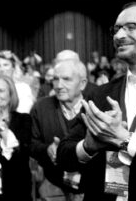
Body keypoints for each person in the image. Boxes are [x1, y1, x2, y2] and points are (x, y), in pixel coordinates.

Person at [58, 1, 136, 200]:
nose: (119, 36)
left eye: (132, 27)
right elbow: (64, 153)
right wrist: (88, 146)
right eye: (117, 29)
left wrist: (125, 140)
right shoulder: (101, 94)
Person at [31, 60, 89, 201]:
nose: (59, 85)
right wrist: (47, 150)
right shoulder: (41, 107)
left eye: (66, 79)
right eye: (56, 79)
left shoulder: (95, 108)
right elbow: (31, 143)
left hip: (90, 187)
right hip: (53, 186)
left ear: (82, 84)